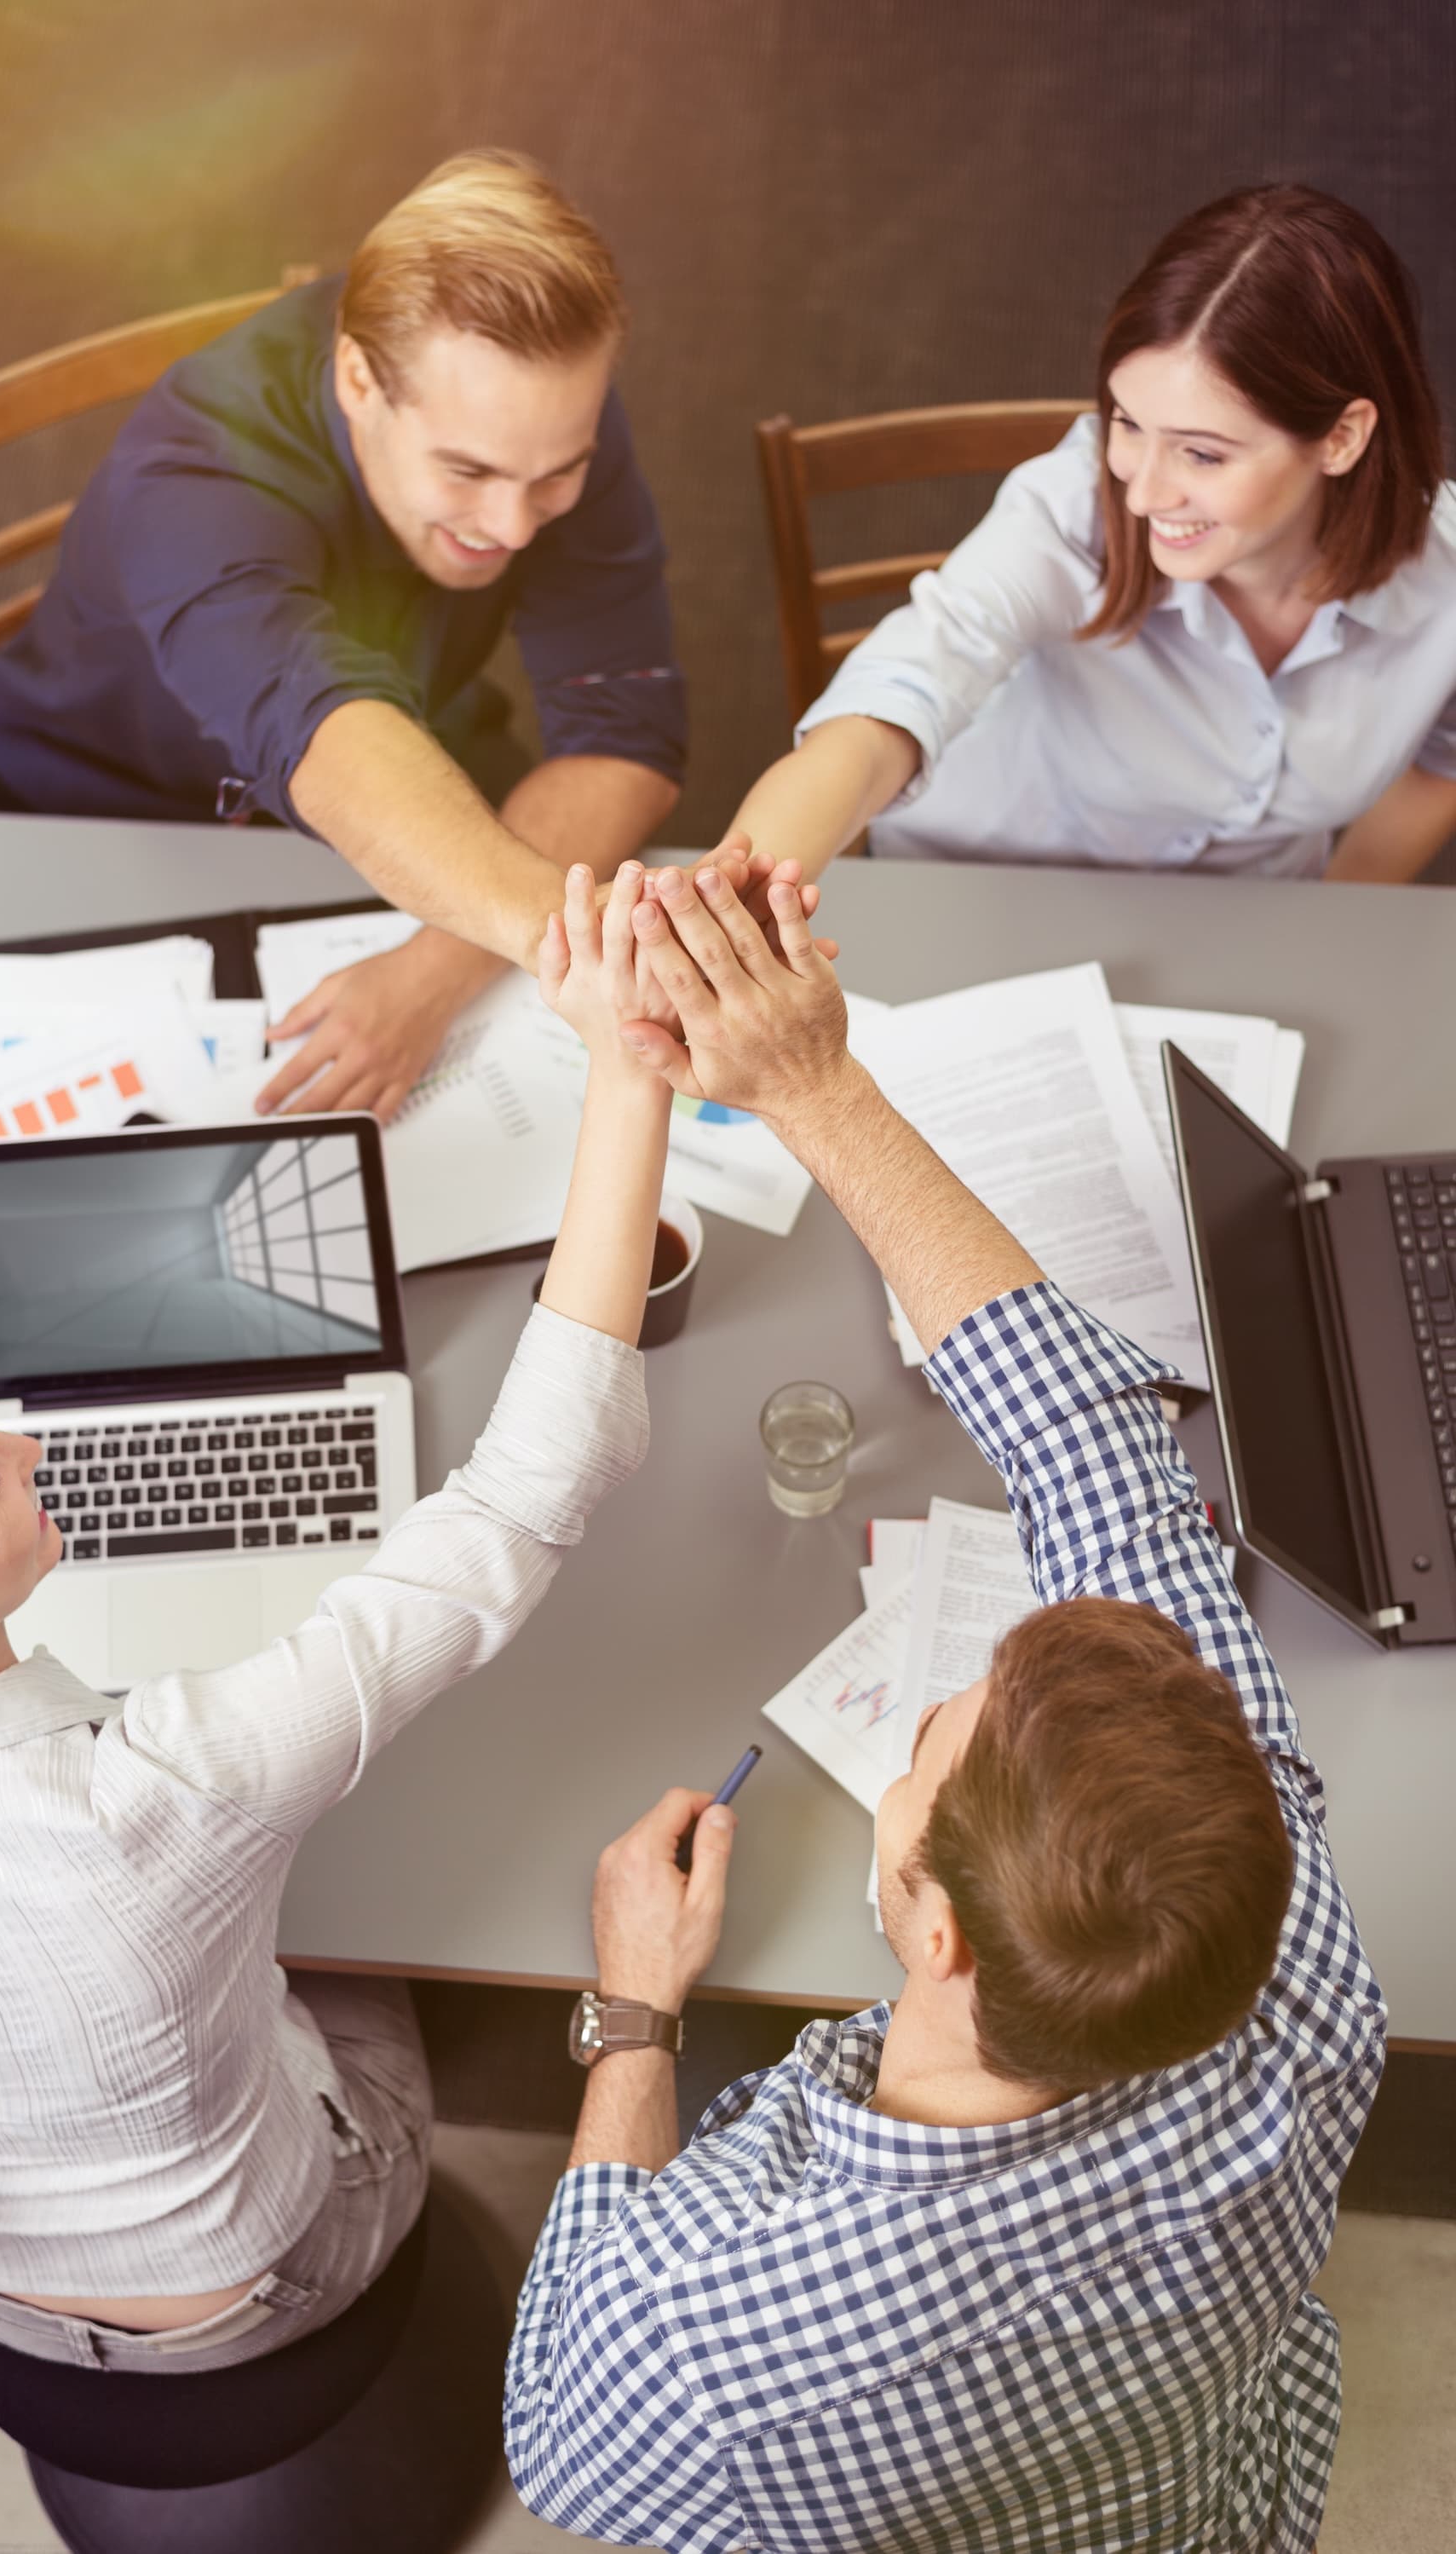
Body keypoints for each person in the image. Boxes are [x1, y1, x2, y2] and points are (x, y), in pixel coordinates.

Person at [0, 863, 681, 2542]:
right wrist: (630, 1073)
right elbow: (528, 1494)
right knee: (388, 1940)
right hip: (273, 2272)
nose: (31, 1442)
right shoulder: (168, 1790)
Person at [504, 861, 1384, 2553]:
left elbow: (556, 2434)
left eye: (925, 1753)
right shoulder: (1296, 1985)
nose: (925, 1729)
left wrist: (633, 2012)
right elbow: (1100, 1458)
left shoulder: (698, 2337)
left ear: (932, 1930)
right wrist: (813, 1081)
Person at [0, 150, 690, 1122]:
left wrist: (435, 972)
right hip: (99, 815)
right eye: (466, 472)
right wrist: (591, 964)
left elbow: (624, 733)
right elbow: (325, 730)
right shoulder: (190, 474)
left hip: (417, 771)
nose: (518, 528)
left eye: (557, 477)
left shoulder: (536, 418)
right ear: (357, 378)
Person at [734, 182, 1456, 884]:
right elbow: (907, 680)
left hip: (1252, 917)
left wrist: (1329, 919)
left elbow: (1443, 762)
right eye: (1127, 425)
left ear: (1342, 437)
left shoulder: (1444, 574)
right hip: (980, 883)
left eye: (1202, 453)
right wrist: (735, 898)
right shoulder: (1070, 510)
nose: (1143, 493)